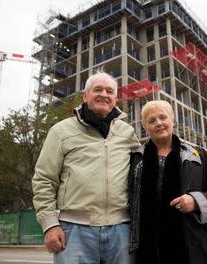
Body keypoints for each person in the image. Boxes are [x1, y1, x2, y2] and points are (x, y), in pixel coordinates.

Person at [32, 71, 140, 264]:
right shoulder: (61, 131)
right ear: (85, 95)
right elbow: (44, 179)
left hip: (122, 231)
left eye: (109, 91)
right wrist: (49, 225)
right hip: (74, 231)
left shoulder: (128, 132)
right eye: (97, 89)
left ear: (115, 98)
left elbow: (140, 175)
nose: (104, 94)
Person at [128, 100, 207, 264]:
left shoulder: (197, 155)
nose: (159, 123)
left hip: (191, 247)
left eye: (163, 117)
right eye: (151, 120)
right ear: (146, 127)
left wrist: (195, 201)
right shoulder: (135, 159)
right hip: (147, 247)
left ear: (172, 121)